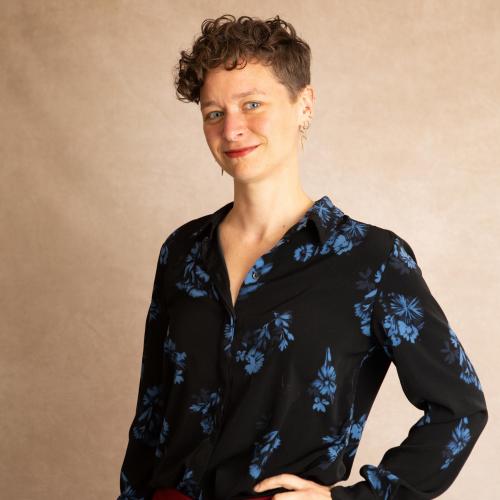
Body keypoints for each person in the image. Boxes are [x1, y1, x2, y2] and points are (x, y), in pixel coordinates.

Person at [117, 14, 488, 500]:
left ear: (304, 104)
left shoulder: (372, 261)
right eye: (214, 113)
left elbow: (459, 409)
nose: (232, 129)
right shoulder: (182, 251)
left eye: (252, 104)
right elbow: (151, 416)